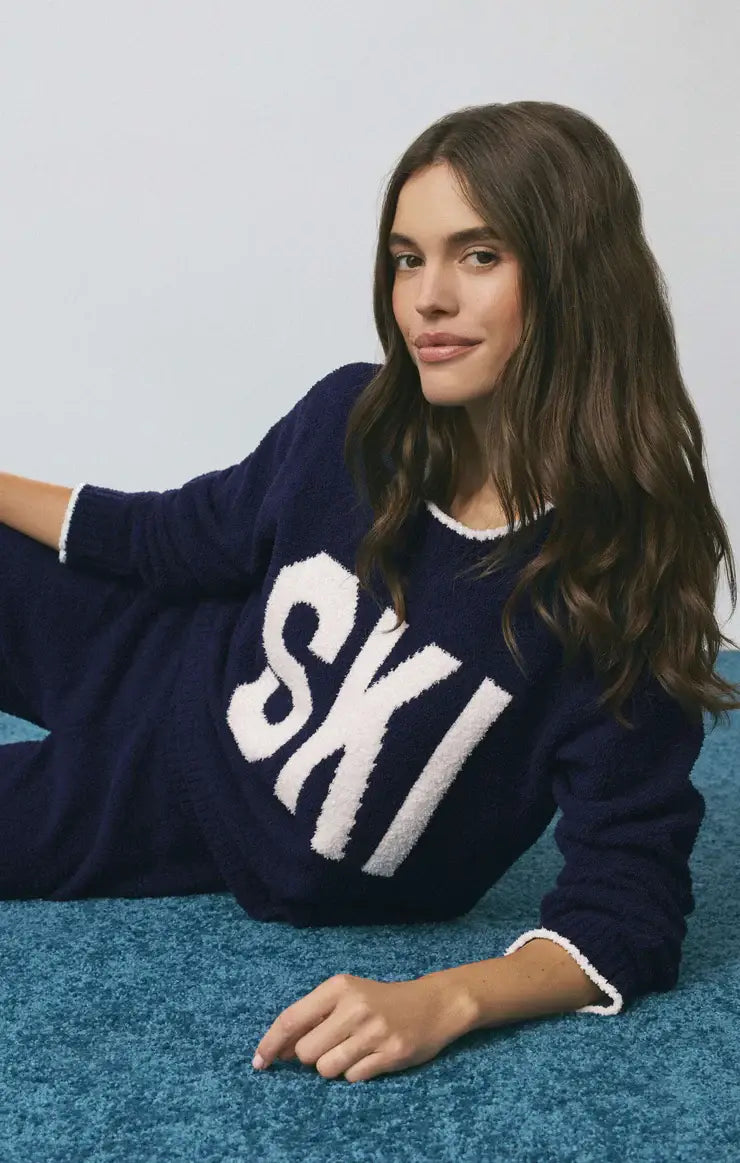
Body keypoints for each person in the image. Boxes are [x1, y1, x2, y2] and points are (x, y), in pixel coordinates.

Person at [1, 101, 737, 1026]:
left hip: (170, 808)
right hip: (158, 652)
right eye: (407, 258)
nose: (428, 299)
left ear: (574, 277)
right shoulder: (355, 418)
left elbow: (627, 906)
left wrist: (442, 999)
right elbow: (173, 534)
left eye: (479, 255)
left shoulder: (614, 582)